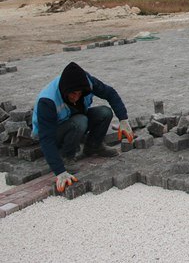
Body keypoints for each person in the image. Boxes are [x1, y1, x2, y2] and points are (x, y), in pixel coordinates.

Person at [32, 62, 134, 192]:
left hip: (75, 120)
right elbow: (46, 139)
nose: (76, 97)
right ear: (65, 90)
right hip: (53, 132)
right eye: (73, 93)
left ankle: (93, 146)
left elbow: (110, 93)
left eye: (79, 93)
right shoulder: (47, 100)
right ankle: (66, 156)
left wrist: (123, 120)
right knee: (80, 121)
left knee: (104, 112)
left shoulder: (87, 82)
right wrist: (59, 172)